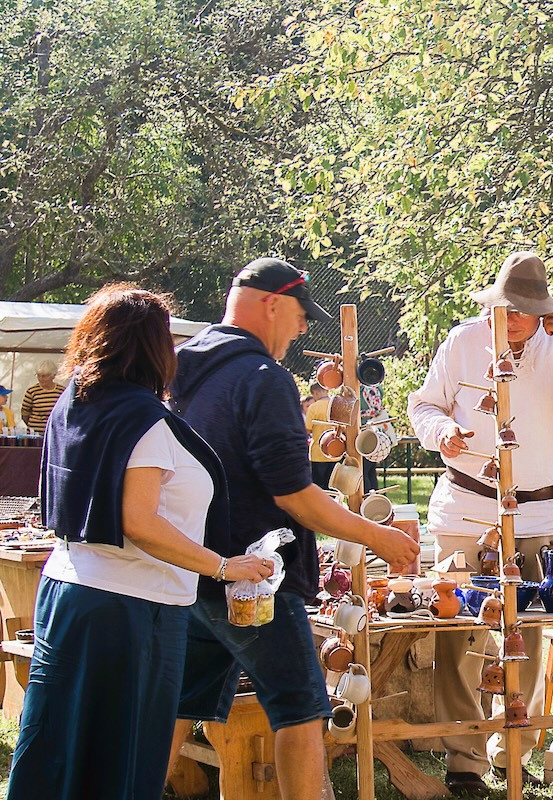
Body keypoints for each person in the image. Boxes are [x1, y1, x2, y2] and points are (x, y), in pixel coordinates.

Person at [165, 258, 419, 800]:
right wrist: (378, 536)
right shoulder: (263, 377)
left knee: (175, 706)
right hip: (253, 579)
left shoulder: (188, 366)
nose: (303, 329)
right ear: (271, 304)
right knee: (301, 709)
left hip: (193, 567)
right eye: (301, 314)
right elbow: (294, 496)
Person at [7, 285, 274, 800]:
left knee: (57, 749)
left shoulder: (73, 402)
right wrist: (223, 566)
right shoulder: (142, 418)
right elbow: (139, 521)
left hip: (68, 592)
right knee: (123, 760)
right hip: (130, 610)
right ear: (153, 346)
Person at [408, 251, 553, 795]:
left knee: (530, 635)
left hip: (536, 513)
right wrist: (441, 432)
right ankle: (465, 759)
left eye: (529, 309)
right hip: (466, 507)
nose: (518, 318)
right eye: (510, 307)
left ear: (544, 309)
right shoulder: (463, 340)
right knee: (460, 634)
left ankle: (513, 749)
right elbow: (423, 406)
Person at [304, 381, 337, 490]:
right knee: (333, 487)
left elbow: (308, 429)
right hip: (336, 450)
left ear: (315, 392)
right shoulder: (336, 404)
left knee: (319, 487)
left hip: (318, 452)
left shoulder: (313, 408)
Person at [20, 359, 64, 435]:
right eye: (38, 375)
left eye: (44, 376)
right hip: (35, 434)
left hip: (54, 434)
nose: (40, 379)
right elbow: (25, 414)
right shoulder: (32, 391)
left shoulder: (61, 391)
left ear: (53, 376)